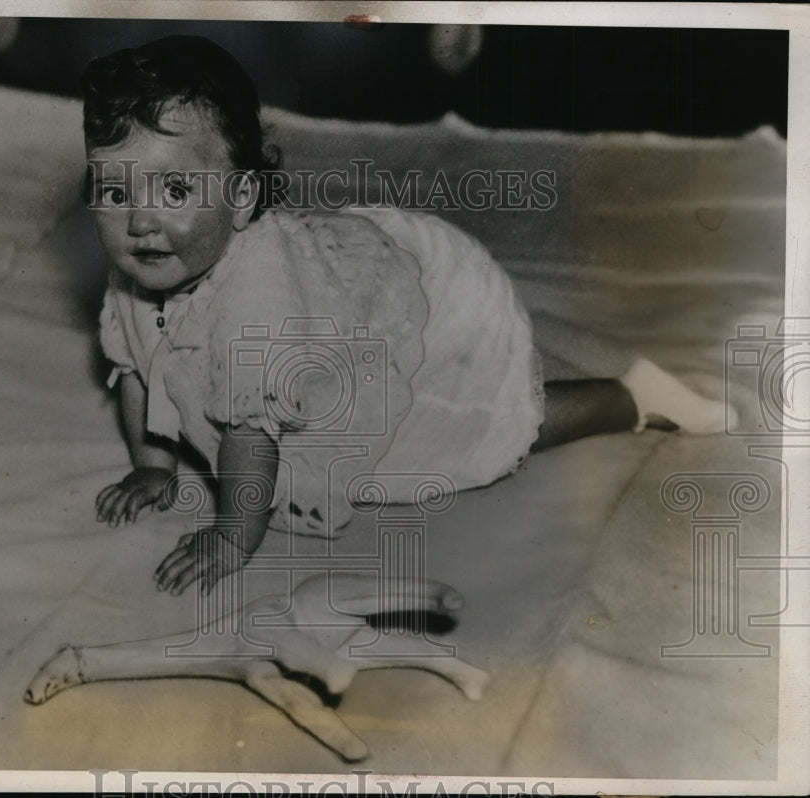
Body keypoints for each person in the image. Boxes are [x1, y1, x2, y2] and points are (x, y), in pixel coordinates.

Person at [85, 36, 735, 597]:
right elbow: (139, 368)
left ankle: (631, 397)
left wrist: (232, 540)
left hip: (409, 311)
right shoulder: (141, 271)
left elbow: (248, 440)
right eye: (115, 191)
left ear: (242, 195)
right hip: (329, 325)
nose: (139, 221)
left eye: (175, 190)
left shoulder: (258, 298)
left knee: (485, 428)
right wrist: (153, 464)